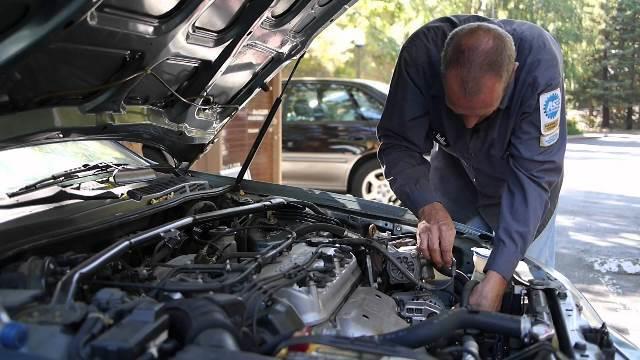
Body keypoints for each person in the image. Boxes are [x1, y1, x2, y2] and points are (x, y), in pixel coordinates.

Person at [377, 15, 566, 311]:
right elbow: (399, 145)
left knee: (526, 297)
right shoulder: (420, 56)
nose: (468, 124)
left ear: (512, 75)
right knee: (440, 285)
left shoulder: (538, 69)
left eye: (483, 113)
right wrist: (429, 207)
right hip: (453, 187)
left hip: (525, 203)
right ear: (440, 71)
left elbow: (533, 177)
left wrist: (498, 277)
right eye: (457, 112)